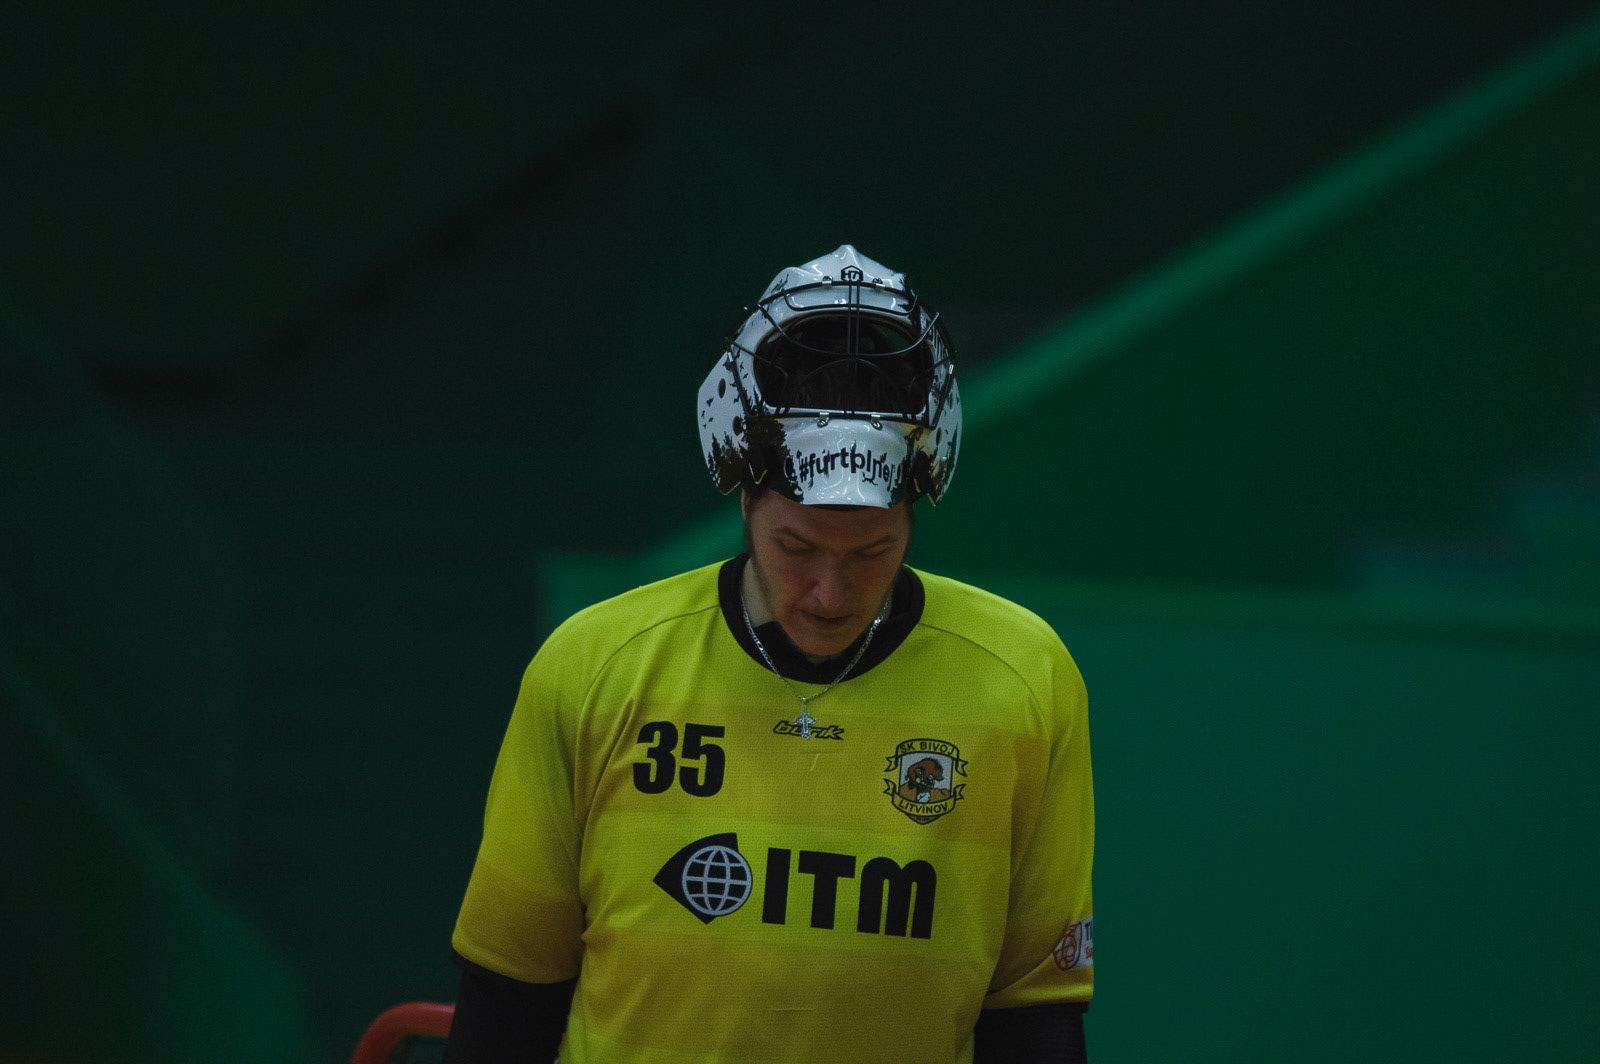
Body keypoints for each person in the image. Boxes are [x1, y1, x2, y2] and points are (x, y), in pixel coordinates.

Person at [443, 245, 1094, 1063]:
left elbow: (1033, 1019)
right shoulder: (594, 667)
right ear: (742, 493)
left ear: (917, 511)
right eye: (796, 547)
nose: (829, 592)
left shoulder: (1024, 679)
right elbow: (508, 996)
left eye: (872, 553)